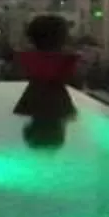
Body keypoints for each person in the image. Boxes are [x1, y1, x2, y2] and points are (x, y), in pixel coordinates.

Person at [11, 13, 83, 142]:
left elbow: (20, 68)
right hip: (59, 100)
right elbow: (73, 77)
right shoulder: (68, 60)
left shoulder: (27, 58)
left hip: (32, 97)